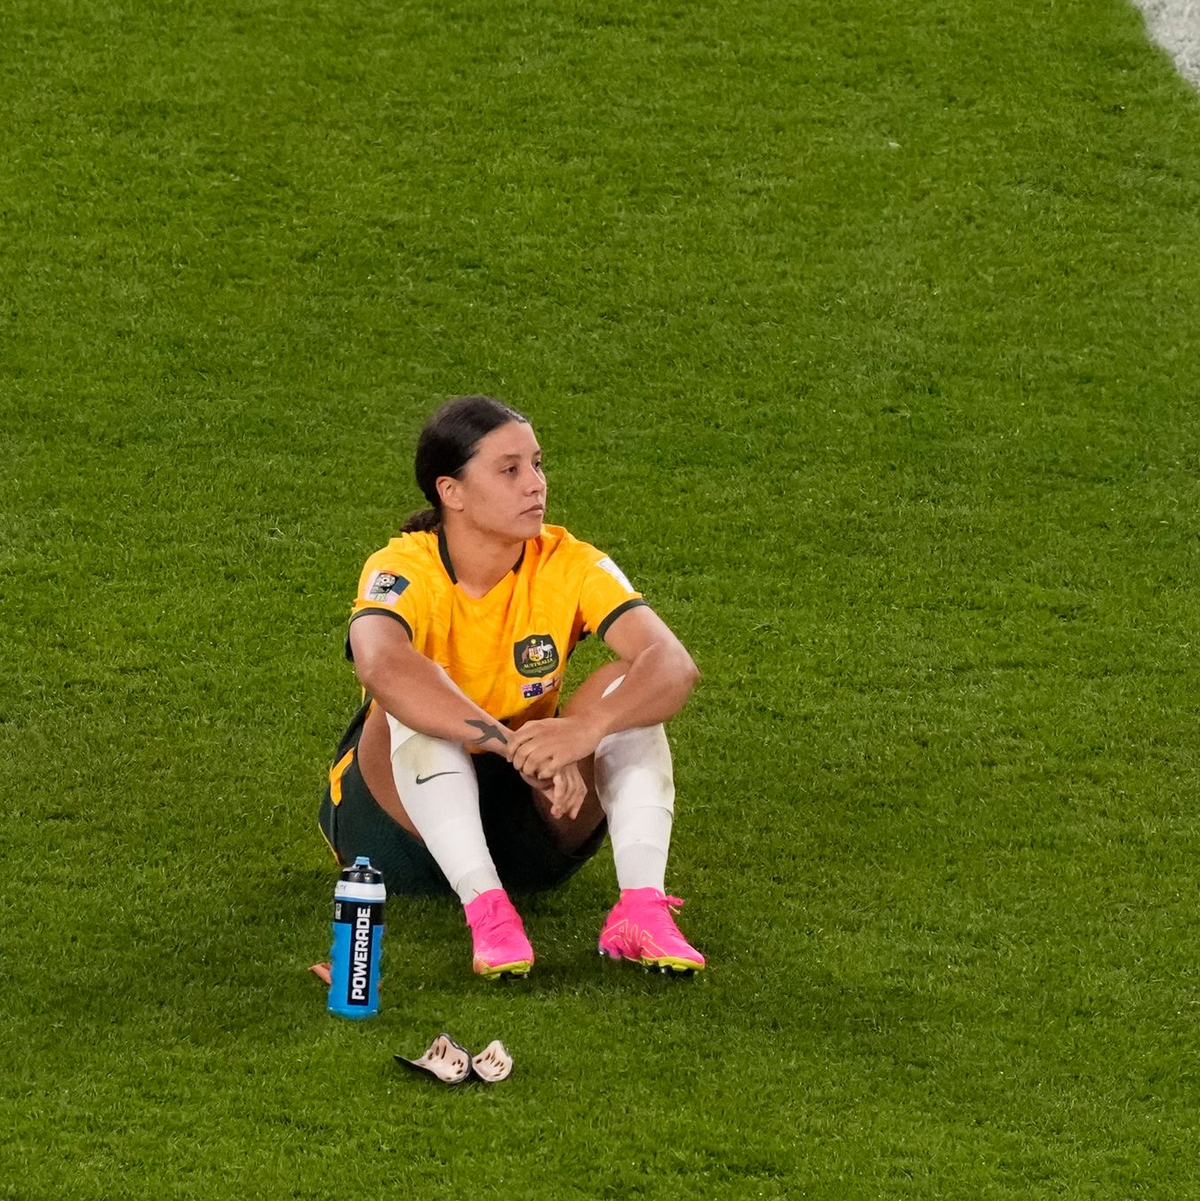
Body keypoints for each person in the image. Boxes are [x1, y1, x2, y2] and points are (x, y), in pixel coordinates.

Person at [318, 395, 705, 979]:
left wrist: (586, 728)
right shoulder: (402, 567)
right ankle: (488, 914)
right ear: (452, 492)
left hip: (531, 828)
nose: (535, 484)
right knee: (414, 697)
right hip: (398, 837)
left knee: (630, 686)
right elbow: (381, 665)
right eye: (509, 469)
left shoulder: (570, 562)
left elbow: (673, 663)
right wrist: (510, 745)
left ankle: (641, 911)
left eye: (537, 464)